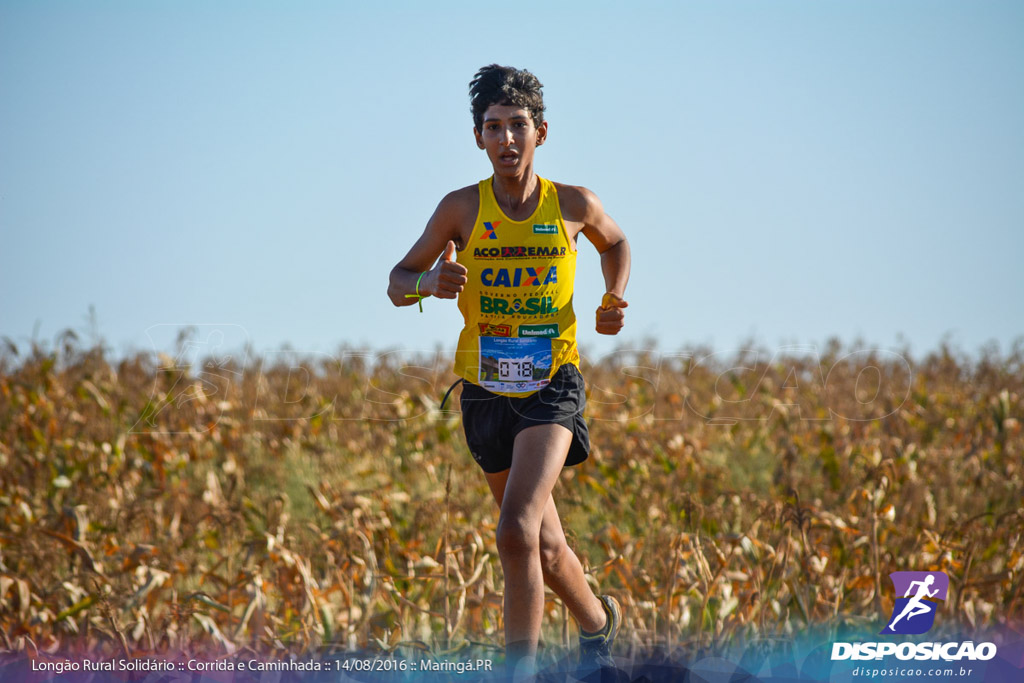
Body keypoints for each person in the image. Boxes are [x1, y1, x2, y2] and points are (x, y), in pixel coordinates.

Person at [387, 64, 630, 676]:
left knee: (514, 529)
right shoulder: (460, 209)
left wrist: (612, 296)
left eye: (517, 126)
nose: (506, 140)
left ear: (540, 133)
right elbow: (396, 283)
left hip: (552, 387)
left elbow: (616, 243)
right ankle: (600, 625)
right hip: (483, 392)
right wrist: (429, 284)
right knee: (543, 546)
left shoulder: (572, 204)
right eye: (493, 128)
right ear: (478, 138)